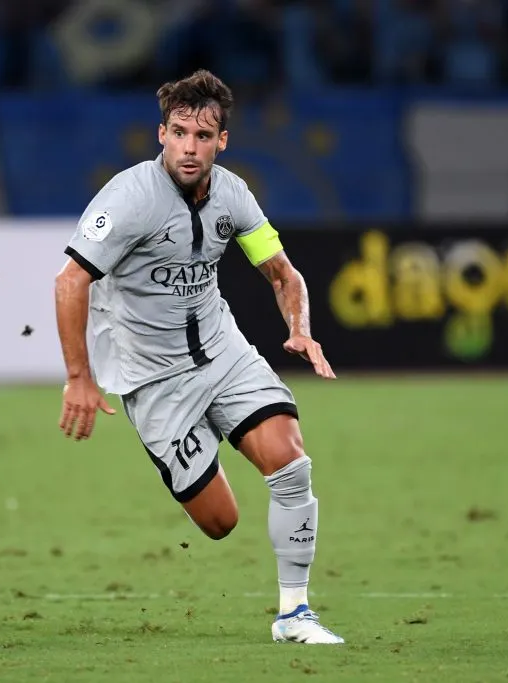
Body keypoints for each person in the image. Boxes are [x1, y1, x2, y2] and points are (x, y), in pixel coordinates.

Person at [53, 69, 344, 645]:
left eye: (203, 136)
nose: (190, 147)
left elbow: (282, 273)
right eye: (180, 132)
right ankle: (193, 448)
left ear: (222, 141)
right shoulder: (130, 198)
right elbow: (69, 282)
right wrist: (79, 378)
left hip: (222, 352)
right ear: (161, 133)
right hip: (153, 377)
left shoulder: (233, 194)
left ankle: (295, 615)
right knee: (220, 523)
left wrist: (299, 327)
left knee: (291, 465)